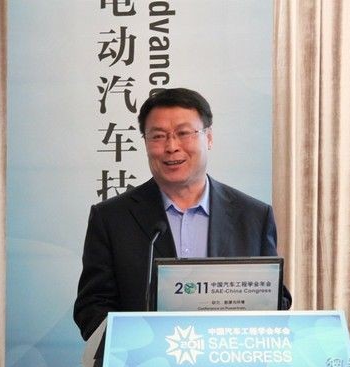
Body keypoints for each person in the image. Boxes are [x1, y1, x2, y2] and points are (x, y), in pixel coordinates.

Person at [74, 87, 291, 340]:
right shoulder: (111, 218)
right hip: (146, 361)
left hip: (227, 357)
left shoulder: (253, 216)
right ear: (145, 143)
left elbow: (275, 300)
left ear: (209, 137)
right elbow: (92, 307)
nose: (171, 146)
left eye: (184, 133)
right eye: (158, 136)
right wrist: (134, 347)